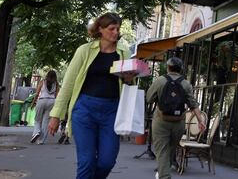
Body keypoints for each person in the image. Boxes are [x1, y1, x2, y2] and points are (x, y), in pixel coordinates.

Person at [47, 12, 135, 179]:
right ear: (100, 30)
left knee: (107, 162)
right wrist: (56, 115)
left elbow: (128, 85)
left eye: (117, 28)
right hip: (85, 110)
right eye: (111, 28)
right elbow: (68, 84)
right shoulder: (84, 51)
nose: (116, 32)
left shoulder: (123, 52)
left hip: (112, 111)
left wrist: (129, 80)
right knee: (86, 162)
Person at [146, 57, 206, 179]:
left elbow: (149, 98)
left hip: (161, 120)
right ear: (181, 69)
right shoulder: (185, 84)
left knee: (162, 150)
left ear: (168, 67)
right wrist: (201, 121)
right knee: (171, 148)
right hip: (178, 122)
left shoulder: (160, 81)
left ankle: (164, 175)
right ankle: (163, 172)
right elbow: (193, 105)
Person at [31, 70, 60, 144]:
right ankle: (41, 140)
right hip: (51, 102)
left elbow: (37, 94)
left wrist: (33, 102)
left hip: (42, 101)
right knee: (45, 122)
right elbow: (57, 96)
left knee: (37, 119)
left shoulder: (42, 82)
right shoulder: (56, 84)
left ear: (47, 75)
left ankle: (36, 132)